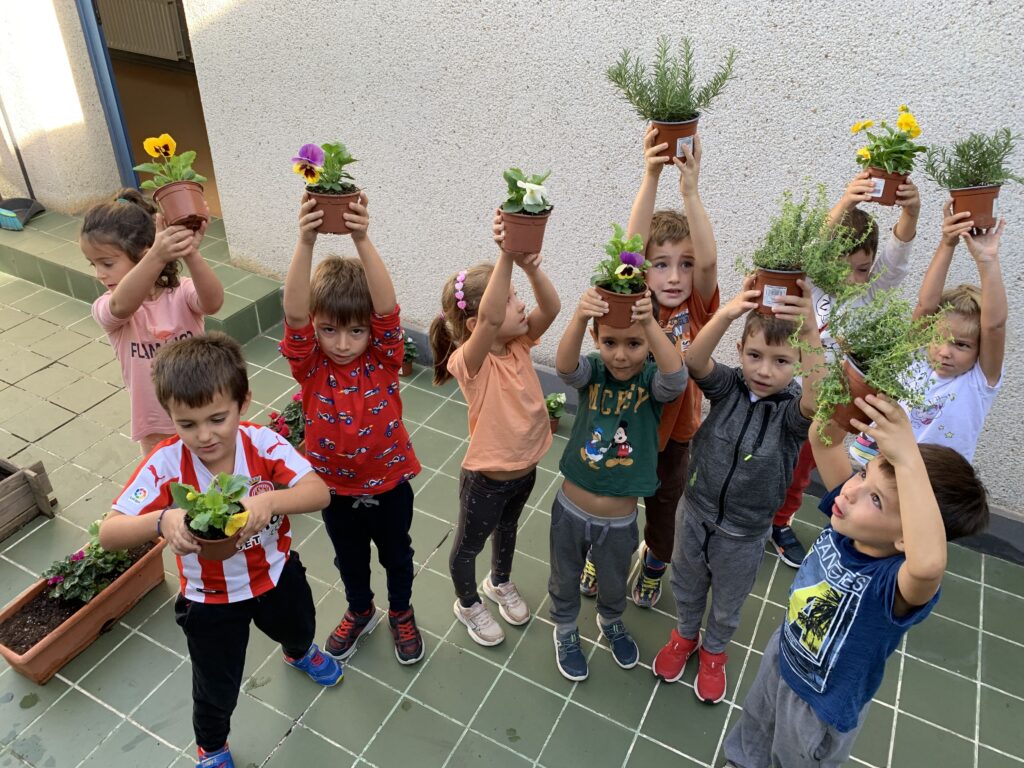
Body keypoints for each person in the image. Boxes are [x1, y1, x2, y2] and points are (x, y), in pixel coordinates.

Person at [98, 333, 338, 768]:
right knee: (215, 684)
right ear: (169, 415)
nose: (204, 435)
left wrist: (271, 501)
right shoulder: (165, 464)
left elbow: (318, 492)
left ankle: (299, 651)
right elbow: (109, 533)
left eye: (217, 418)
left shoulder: (262, 443)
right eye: (187, 424)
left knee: (300, 624)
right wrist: (161, 520)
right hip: (209, 600)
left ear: (243, 403)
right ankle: (212, 745)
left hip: (276, 574)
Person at [723, 396, 989, 767]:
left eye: (876, 500)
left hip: (819, 706)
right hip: (784, 653)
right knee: (755, 723)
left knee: (792, 757)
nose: (850, 490)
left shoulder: (892, 584)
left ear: (907, 536)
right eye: (864, 473)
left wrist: (909, 460)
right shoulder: (849, 520)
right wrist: (849, 386)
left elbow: (928, 565)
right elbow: (823, 439)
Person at [652, 278, 823, 704]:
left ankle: (714, 651)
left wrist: (809, 330)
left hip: (745, 533)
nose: (764, 370)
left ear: (800, 364)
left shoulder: (791, 414)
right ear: (740, 351)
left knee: (728, 599)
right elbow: (694, 359)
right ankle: (685, 635)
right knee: (687, 581)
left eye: (781, 361)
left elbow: (817, 400)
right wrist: (728, 312)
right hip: (695, 511)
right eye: (754, 355)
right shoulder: (729, 386)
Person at [281, 192, 424, 665]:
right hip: (333, 489)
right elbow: (295, 314)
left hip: (390, 484)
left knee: (397, 555)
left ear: (370, 331)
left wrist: (362, 238)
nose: (342, 343)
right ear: (316, 328)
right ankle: (360, 609)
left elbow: (387, 310)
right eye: (329, 330)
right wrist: (305, 241)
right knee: (349, 558)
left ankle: (401, 611)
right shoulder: (310, 365)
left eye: (356, 331)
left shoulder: (385, 358)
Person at [579, 127, 720, 609]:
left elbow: (710, 264)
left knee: (663, 513)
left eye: (685, 264)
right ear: (642, 269)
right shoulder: (632, 300)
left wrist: (691, 191)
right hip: (623, 426)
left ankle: (655, 565)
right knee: (611, 501)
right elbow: (630, 246)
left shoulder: (696, 308)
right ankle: (601, 555)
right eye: (661, 264)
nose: (675, 276)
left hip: (674, 438)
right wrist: (651, 175)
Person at [771, 171, 921, 567]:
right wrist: (846, 203)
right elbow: (811, 249)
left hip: (825, 409)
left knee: (801, 471)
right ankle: (754, 513)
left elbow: (897, 259)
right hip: (784, 395)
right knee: (768, 460)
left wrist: (911, 213)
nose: (853, 278)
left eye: (862, 268)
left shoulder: (870, 293)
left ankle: (780, 522)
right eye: (842, 267)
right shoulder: (812, 286)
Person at [428, 212, 560, 646]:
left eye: (516, 295)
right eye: (509, 299)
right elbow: (487, 323)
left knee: (508, 530)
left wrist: (530, 268)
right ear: (475, 324)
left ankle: (499, 582)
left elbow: (552, 308)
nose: (519, 305)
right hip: (487, 480)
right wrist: (505, 255)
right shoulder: (471, 362)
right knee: (469, 546)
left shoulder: (519, 342)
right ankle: (468, 603)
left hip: (525, 470)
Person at [549, 285, 687, 681]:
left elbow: (676, 378)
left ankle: (610, 620)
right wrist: (580, 317)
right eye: (610, 342)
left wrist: (649, 322)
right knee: (564, 575)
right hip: (570, 510)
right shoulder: (593, 371)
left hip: (619, 520)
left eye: (634, 343)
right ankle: (565, 628)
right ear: (596, 339)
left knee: (613, 580)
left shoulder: (651, 382)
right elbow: (565, 368)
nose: (621, 355)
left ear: (650, 342)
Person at [850, 208, 1005, 465]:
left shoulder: (978, 381)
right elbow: (925, 306)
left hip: (931, 479)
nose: (945, 351)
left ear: (980, 350)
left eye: (961, 345)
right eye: (938, 337)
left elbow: (994, 327)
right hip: (878, 467)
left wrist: (987, 260)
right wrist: (947, 242)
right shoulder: (916, 357)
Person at [80, 189, 224, 455]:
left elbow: (213, 302)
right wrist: (158, 256)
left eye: (107, 263)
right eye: (93, 264)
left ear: (144, 254)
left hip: (203, 412)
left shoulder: (181, 292)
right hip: (155, 425)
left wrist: (190, 252)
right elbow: (121, 306)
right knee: (167, 479)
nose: (100, 274)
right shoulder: (107, 306)